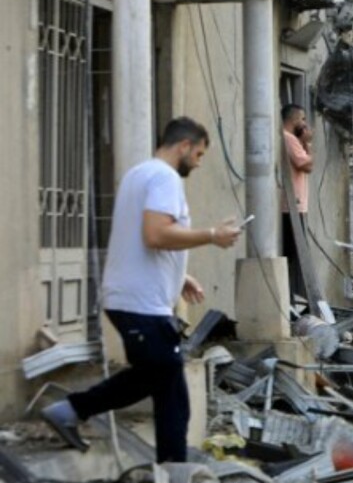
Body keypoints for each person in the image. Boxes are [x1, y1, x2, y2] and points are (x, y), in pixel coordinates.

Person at [40, 117, 241, 463]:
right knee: (165, 385)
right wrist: (211, 235)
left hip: (135, 300)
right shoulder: (164, 177)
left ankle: (170, 472)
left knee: (166, 389)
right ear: (184, 146)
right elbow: (155, 234)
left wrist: (180, 277)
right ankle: (73, 410)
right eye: (199, 154)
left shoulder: (139, 174)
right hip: (141, 305)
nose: (199, 162)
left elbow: (144, 239)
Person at [281, 104, 313, 302]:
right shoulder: (290, 139)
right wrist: (308, 143)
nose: (304, 123)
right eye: (302, 119)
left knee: (292, 255)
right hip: (293, 206)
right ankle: (290, 300)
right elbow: (306, 165)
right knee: (292, 255)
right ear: (294, 120)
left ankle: (292, 299)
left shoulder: (290, 139)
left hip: (293, 205)